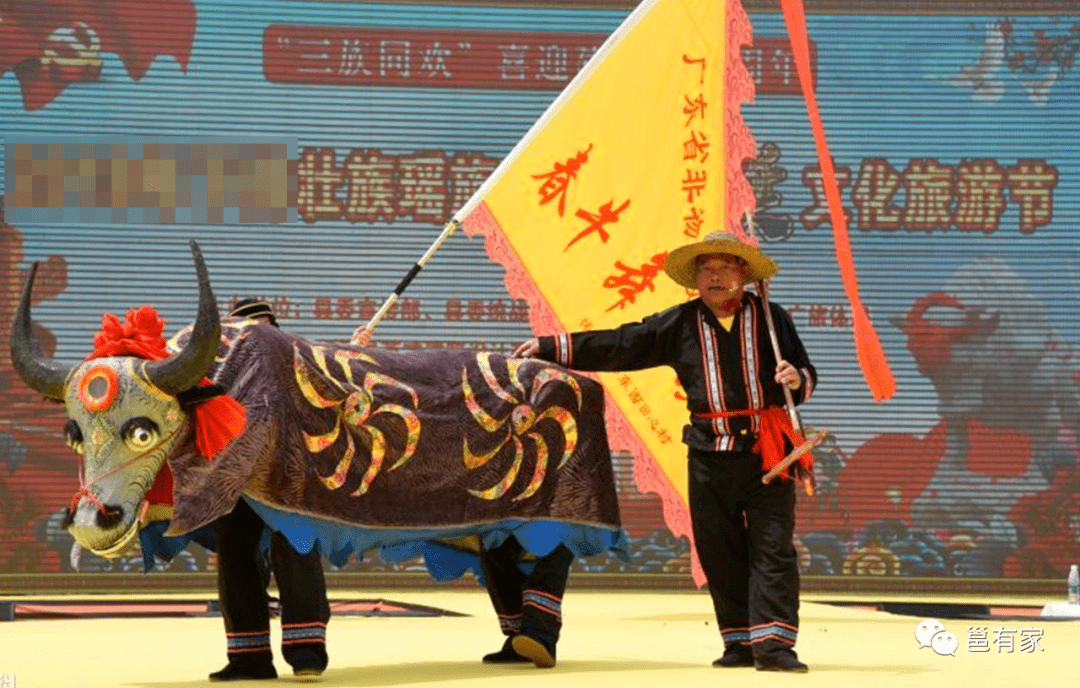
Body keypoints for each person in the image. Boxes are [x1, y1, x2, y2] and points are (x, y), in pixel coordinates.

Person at [512, 231, 816, 673]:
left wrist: (795, 377)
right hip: (709, 454)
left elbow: (805, 376)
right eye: (705, 269)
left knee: (773, 548)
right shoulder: (680, 323)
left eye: (724, 268)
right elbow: (623, 342)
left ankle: (775, 644)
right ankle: (739, 641)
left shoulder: (772, 319)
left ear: (744, 274)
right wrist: (552, 346)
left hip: (767, 454)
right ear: (694, 279)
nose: (714, 277)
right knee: (718, 548)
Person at [209, 298, 331, 681]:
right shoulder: (218, 371)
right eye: (245, 327)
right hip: (237, 474)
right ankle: (250, 657)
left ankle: (307, 651)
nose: (256, 333)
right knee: (234, 553)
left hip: (288, 469)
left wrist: (348, 356)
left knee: (295, 548)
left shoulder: (297, 359)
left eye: (263, 325)